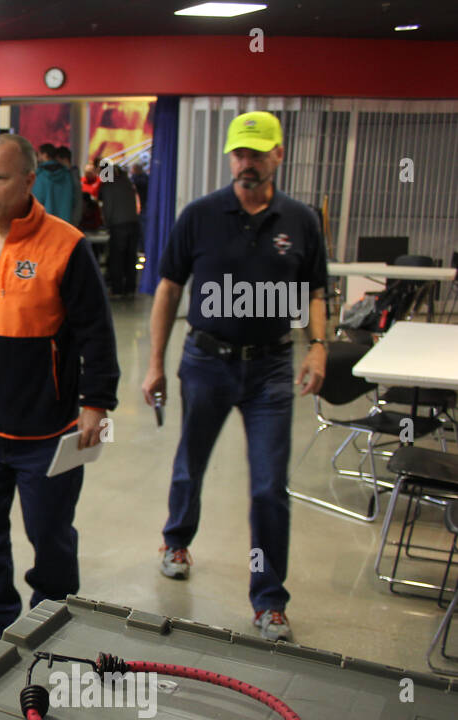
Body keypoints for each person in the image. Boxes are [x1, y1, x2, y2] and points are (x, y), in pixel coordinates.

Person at [140, 111, 328, 642]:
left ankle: (269, 600)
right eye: (240, 154)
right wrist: (154, 363)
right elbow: (168, 289)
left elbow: (315, 290)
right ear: (230, 157)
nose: (247, 163)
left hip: (271, 368)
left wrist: (318, 347)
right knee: (190, 464)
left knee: (269, 487)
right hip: (206, 361)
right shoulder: (199, 215)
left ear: (278, 155)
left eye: (257, 154)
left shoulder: (301, 220)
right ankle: (176, 540)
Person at [0, 134, 119, 656]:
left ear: (28, 180)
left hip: (46, 427)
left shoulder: (66, 245)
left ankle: (53, 618)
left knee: (50, 532)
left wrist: (96, 403)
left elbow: (96, 331)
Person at [98, 161, 140, 299]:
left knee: (117, 258)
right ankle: (130, 288)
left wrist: (106, 223)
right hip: (133, 223)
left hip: (118, 225)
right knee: (130, 257)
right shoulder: (127, 182)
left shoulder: (108, 186)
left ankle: (117, 290)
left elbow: (108, 208)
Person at [31, 143, 75, 221]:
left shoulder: (40, 175)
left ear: (45, 155)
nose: (38, 158)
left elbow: (36, 201)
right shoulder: (67, 175)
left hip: (46, 222)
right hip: (65, 222)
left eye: (39, 154)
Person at [56, 146, 84, 227]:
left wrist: (75, 221)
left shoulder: (71, 176)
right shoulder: (74, 174)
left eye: (57, 160)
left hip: (69, 221)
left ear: (64, 159)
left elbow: (78, 199)